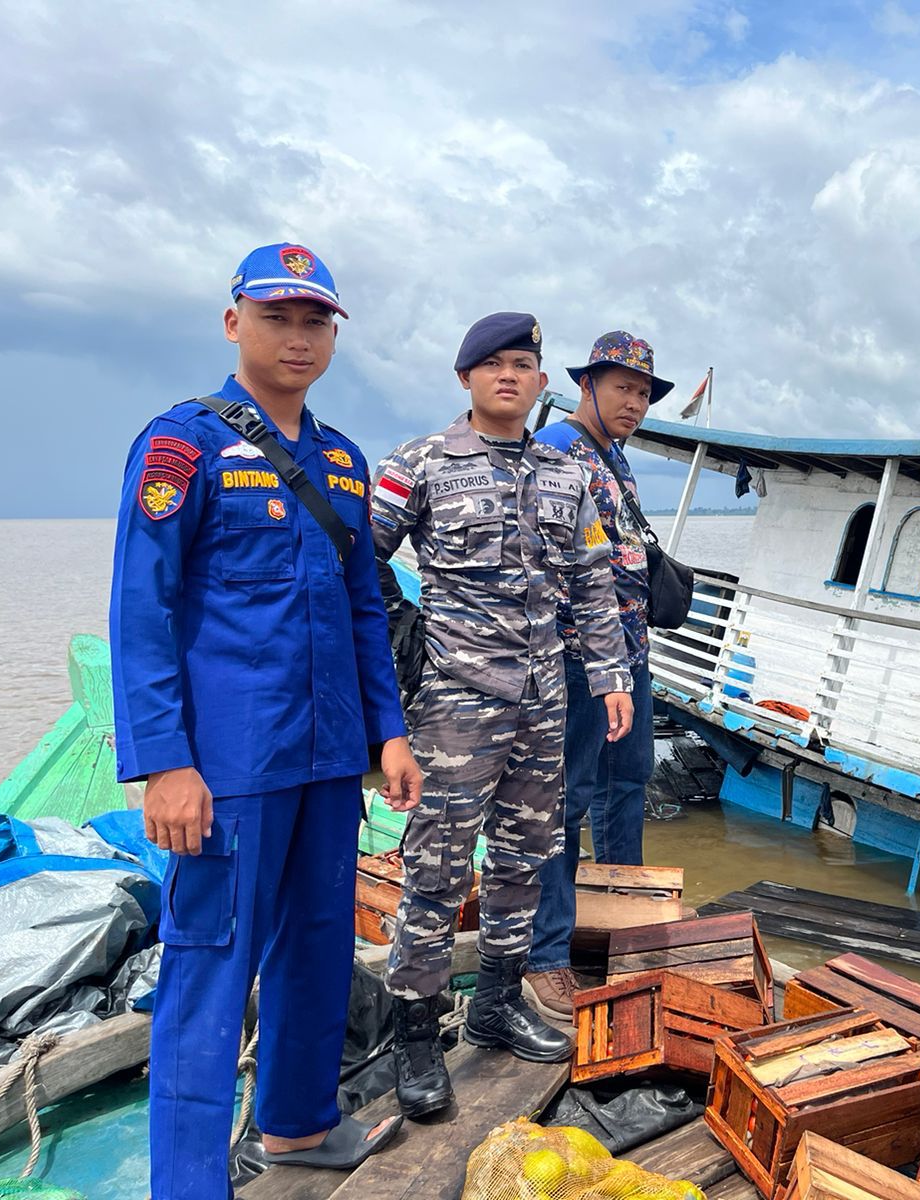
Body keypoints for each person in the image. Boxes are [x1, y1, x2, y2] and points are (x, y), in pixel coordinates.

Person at [110, 242, 423, 1199]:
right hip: (229, 765)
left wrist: (389, 731)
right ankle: (190, 1183)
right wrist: (164, 763)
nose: (298, 336)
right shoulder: (181, 445)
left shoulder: (340, 461)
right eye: (277, 316)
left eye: (315, 320)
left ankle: (293, 1130)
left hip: (329, 759)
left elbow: (365, 605)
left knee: (321, 946)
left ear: (333, 334)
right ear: (232, 321)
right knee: (209, 967)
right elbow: (141, 608)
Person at [370, 312, 634, 1117]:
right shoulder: (420, 463)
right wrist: (398, 650)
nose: (509, 377)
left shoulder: (568, 476)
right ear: (466, 380)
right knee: (437, 871)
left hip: (544, 703)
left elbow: (592, 581)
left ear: (542, 380)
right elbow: (355, 566)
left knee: (525, 858)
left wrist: (612, 674)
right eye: (493, 365)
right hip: (454, 706)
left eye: (523, 364)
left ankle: (495, 1005)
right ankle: (415, 1032)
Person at [523, 330, 674, 1020]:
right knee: (568, 795)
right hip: (576, 659)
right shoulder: (557, 449)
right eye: (622, 387)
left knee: (629, 779)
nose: (634, 402)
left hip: (630, 653)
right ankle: (548, 952)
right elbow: (541, 558)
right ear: (587, 386)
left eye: (643, 392)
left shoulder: (616, 461)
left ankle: (625, 931)